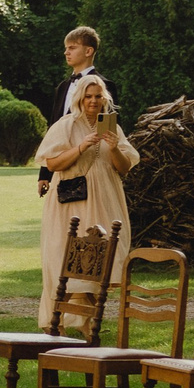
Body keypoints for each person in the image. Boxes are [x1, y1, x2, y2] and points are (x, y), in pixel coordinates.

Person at [36, 71, 139, 324]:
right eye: (88, 97)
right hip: (72, 204)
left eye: (98, 97)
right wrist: (80, 147)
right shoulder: (65, 125)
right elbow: (52, 163)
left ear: (105, 99)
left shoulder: (112, 126)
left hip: (106, 199)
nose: (93, 101)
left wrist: (114, 147)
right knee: (69, 259)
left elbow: (124, 167)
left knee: (102, 260)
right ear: (80, 99)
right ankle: (59, 320)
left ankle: (88, 321)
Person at [36, 25, 114, 201]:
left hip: (92, 167)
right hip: (63, 165)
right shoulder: (63, 87)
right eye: (66, 48)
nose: (66, 52)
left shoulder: (105, 86)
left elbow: (109, 128)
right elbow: (53, 130)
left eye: (72, 48)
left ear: (88, 51)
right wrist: (45, 174)